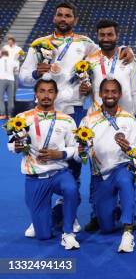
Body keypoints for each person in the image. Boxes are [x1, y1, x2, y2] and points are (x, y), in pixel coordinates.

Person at [19, 2, 135, 233]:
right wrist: (36, 72)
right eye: (60, 15)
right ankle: (41, 210)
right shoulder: (38, 44)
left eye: (68, 15)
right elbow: (23, 78)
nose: (64, 18)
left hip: (74, 110)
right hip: (41, 112)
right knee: (39, 158)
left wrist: (127, 49)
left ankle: (66, 213)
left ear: (75, 20)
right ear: (54, 18)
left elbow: (108, 49)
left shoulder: (85, 44)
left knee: (75, 165)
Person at [8, 79, 80, 249]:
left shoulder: (67, 120)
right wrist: (16, 147)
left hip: (59, 174)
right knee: (43, 236)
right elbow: (11, 144)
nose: (46, 95)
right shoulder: (21, 119)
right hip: (35, 177)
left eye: (50, 91)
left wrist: (60, 154)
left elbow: (76, 150)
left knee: (71, 188)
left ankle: (68, 233)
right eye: (42, 91)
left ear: (55, 94)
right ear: (36, 94)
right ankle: (50, 217)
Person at [78, 79, 136, 252]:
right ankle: (116, 210)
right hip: (100, 175)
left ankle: (128, 229)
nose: (110, 95)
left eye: (114, 92)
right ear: (100, 94)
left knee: (126, 180)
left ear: (120, 94)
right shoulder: (88, 121)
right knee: (106, 227)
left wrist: (129, 148)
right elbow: (82, 153)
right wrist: (82, 150)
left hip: (122, 168)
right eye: (106, 91)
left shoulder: (130, 120)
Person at [0, 48, 19, 119]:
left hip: (1, 79)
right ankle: (10, 115)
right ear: (7, 54)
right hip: (11, 80)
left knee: (0, 98)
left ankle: (2, 114)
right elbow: (16, 70)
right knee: (10, 98)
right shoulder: (12, 61)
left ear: (1, 54)